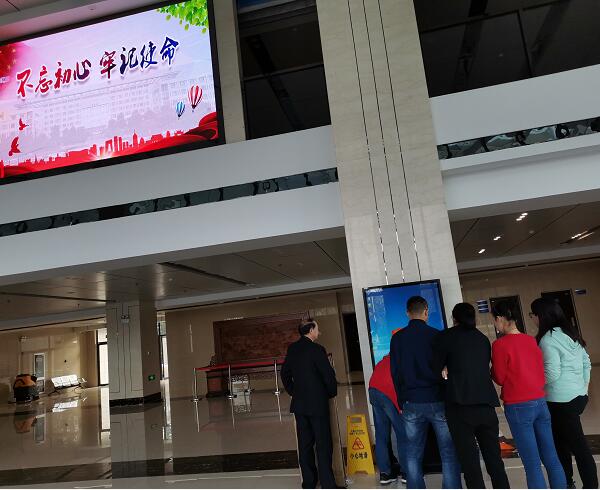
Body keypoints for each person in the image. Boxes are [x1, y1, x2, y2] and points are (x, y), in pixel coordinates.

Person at [433, 302, 510, 489]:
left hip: (459, 407)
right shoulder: (482, 339)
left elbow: (435, 369)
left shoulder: (445, 337)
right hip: (486, 405)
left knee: (470, 463)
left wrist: (447, 379)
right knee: (494, 460)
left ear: (454, 318)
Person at [491, 300, 566, 489]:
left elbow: (499, 377)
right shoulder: (531, 340)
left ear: (500, 318)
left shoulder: (499, 345)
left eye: (494, 320)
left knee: (532, 465)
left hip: (518, 406)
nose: (495, 324)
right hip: (540, 402)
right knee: (552, 458)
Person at [390, 295, 462, 489]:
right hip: (438, 399)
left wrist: (401, 401)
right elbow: (447, 369)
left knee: (413, 454)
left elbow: (395, 373)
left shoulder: (397, 339)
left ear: (407, 313)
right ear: (426, 312)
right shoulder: (437, 335)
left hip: (411, 402)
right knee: (448, 452)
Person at [531, 298, 597, 489]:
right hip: (578, 397)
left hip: (560, 401)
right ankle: (566, 483)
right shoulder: (570, 333)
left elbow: (552, 373)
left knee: (577, 447)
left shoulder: (548, 339)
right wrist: (583, 388)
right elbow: (586, 363)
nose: (532, 318)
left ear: (541, 316)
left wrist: (534, 384)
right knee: (561, 443)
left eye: (532, 314)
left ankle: (588, 485)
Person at [281, 319, 339, 489]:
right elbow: (328, 374)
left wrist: (293, 391)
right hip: (317, 404)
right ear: (311, 330)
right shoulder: (317, 349)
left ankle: (309, 482)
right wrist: (330, 393)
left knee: (305, 444)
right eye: (317, 328)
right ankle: (327, 484)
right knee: (323, 444)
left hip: (300, 404)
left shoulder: (292, 349)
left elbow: (284, 373)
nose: (319, 332)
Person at [369, 353, 405, 485]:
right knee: (402, 434)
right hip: (388, 393)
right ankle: (407, 472)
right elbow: (393, 388)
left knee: (381, 435)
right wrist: (400, 409)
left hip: (373, 391)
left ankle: (385, 474)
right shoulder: (400, 361)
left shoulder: (383, 361)